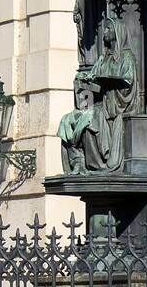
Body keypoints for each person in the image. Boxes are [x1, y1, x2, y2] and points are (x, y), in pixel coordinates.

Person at [56, 19, 139, 173]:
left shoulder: (126, 58)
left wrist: (108, 84)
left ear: (117, 33)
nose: (104, 33)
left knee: (89, 119)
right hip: (98, 103)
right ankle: (78, 162)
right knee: (66, 120)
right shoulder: (103, 59)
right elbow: (91, 76)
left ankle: (96, 164)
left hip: (112, 107)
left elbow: (128, 85)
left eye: (108, 29)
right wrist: (83, 79)